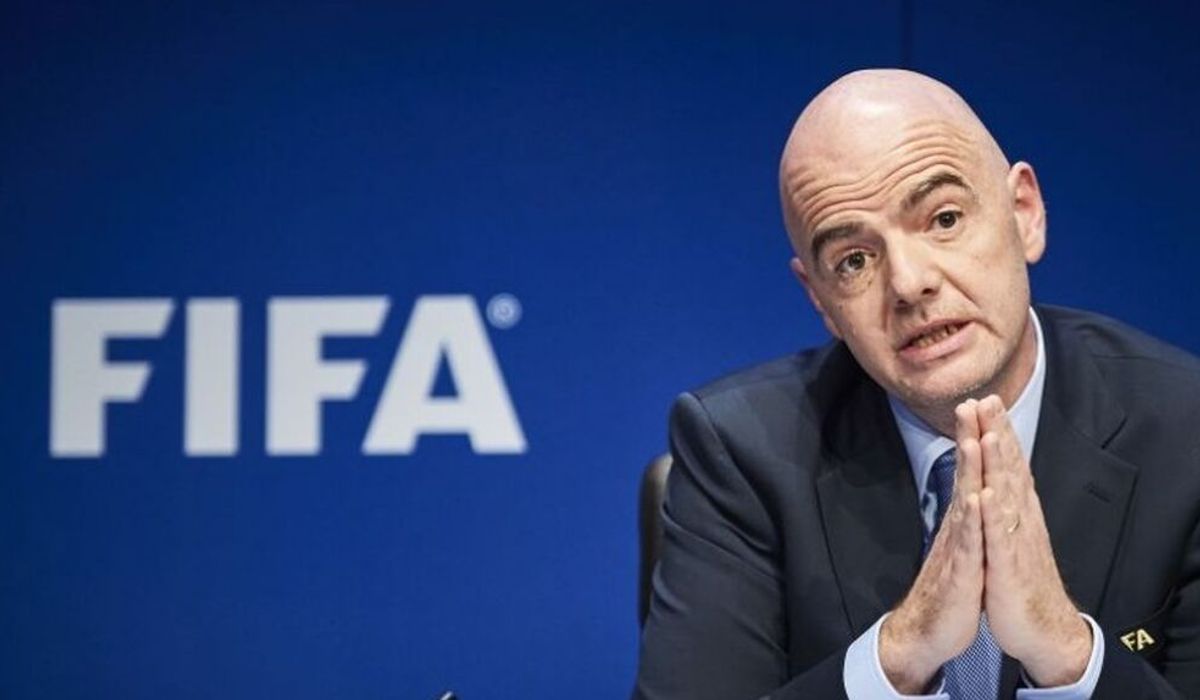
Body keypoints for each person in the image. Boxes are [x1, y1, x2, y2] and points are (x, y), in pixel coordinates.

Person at [632, 69, 1200, 699]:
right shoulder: (742, 452)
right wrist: (900, 652)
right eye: (854, 260)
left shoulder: (1187, 432)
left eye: (944, 219)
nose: (908, 283)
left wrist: (1067, 653)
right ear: (820, 299)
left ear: (1025, 214)